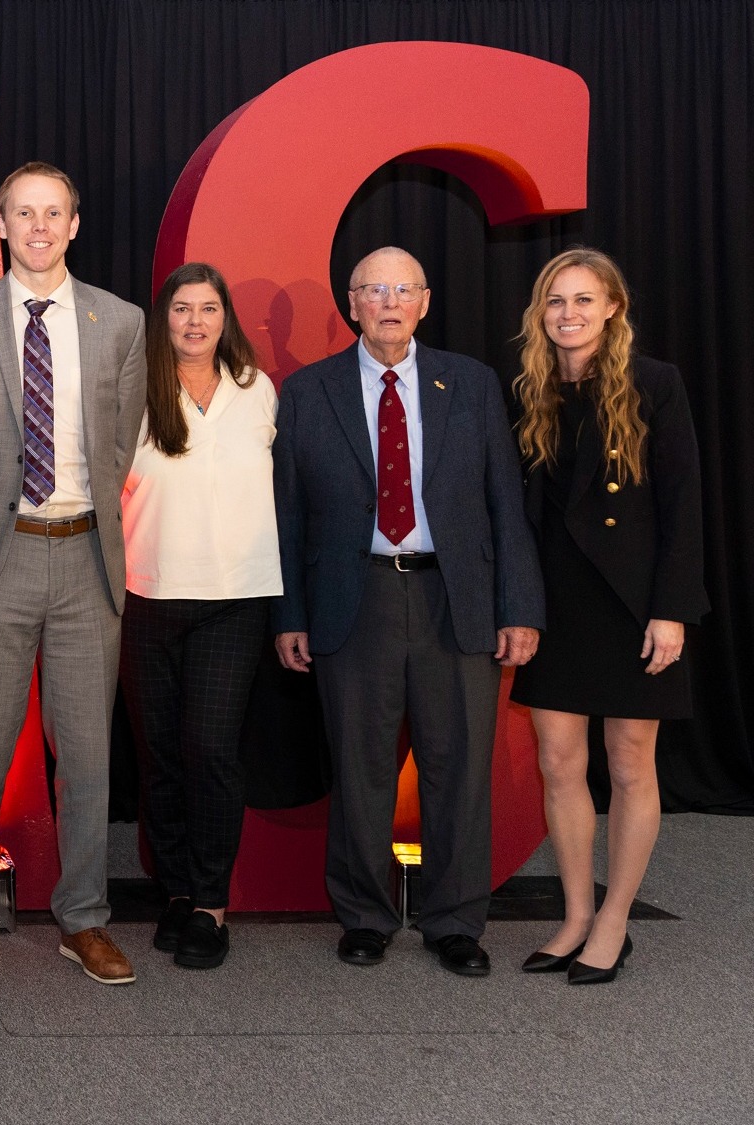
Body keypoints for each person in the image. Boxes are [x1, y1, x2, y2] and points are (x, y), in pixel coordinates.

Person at [273, 247, 543, 977]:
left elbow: (505, 503)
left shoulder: (473, 384)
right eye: (374, 289)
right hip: (351, 597)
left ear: (424, 302)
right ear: (351, 304)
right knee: (360, 766)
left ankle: (455, 920)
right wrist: (290, 614)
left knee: (459, 767)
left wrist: (519, 606)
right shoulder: (308, 391)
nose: (389, 302)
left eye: (403, 289)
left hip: (455, 597)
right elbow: (288, 515)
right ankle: (364, 916)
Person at [0, 162, 148, 989]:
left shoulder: (120, 320)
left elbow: (119, 443)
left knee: (87, 756)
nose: (39, 227)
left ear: (75, 224)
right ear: (2, 223)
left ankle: (84, 916)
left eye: (54, 212)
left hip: (87, 556)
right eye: (24, 213)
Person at [508, 249, 706, 985]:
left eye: (584, 300)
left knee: (628, 763)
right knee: (559, 764)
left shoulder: (654, 383)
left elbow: (684, 504)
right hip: (556, 605)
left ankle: (615, 920)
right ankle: (575, 915)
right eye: (556, 301)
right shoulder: (530, 390)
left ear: (613, 307)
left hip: (632, 606)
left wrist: (671, 611)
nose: (569, 314)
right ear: (541, 313)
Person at [118, 262, 280, 970]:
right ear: (164, 318)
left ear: (225, 319)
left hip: (234, 599)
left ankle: (211, 904)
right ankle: (177, 893)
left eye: (208, 308)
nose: (194, 321)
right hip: (145, 594)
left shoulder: (256, 389)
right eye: (181, 308)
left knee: (210, 751)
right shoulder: (136, 391)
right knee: (158, 757)